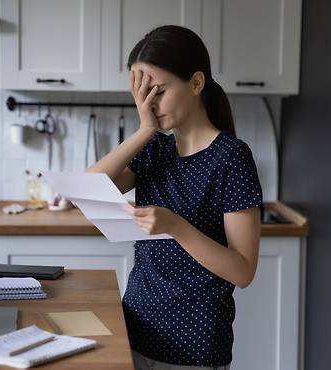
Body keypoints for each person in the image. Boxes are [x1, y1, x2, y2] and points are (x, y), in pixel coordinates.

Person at [86, 25, 262, 370]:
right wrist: (145, 130)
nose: (149, 103)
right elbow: (89, 189)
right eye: (141, 94)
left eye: (158, 91)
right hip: (136, 327)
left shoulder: (231, 157)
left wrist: (176, 227)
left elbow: (242, 271)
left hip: (194, 345)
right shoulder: (155, 149)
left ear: (196, 84)